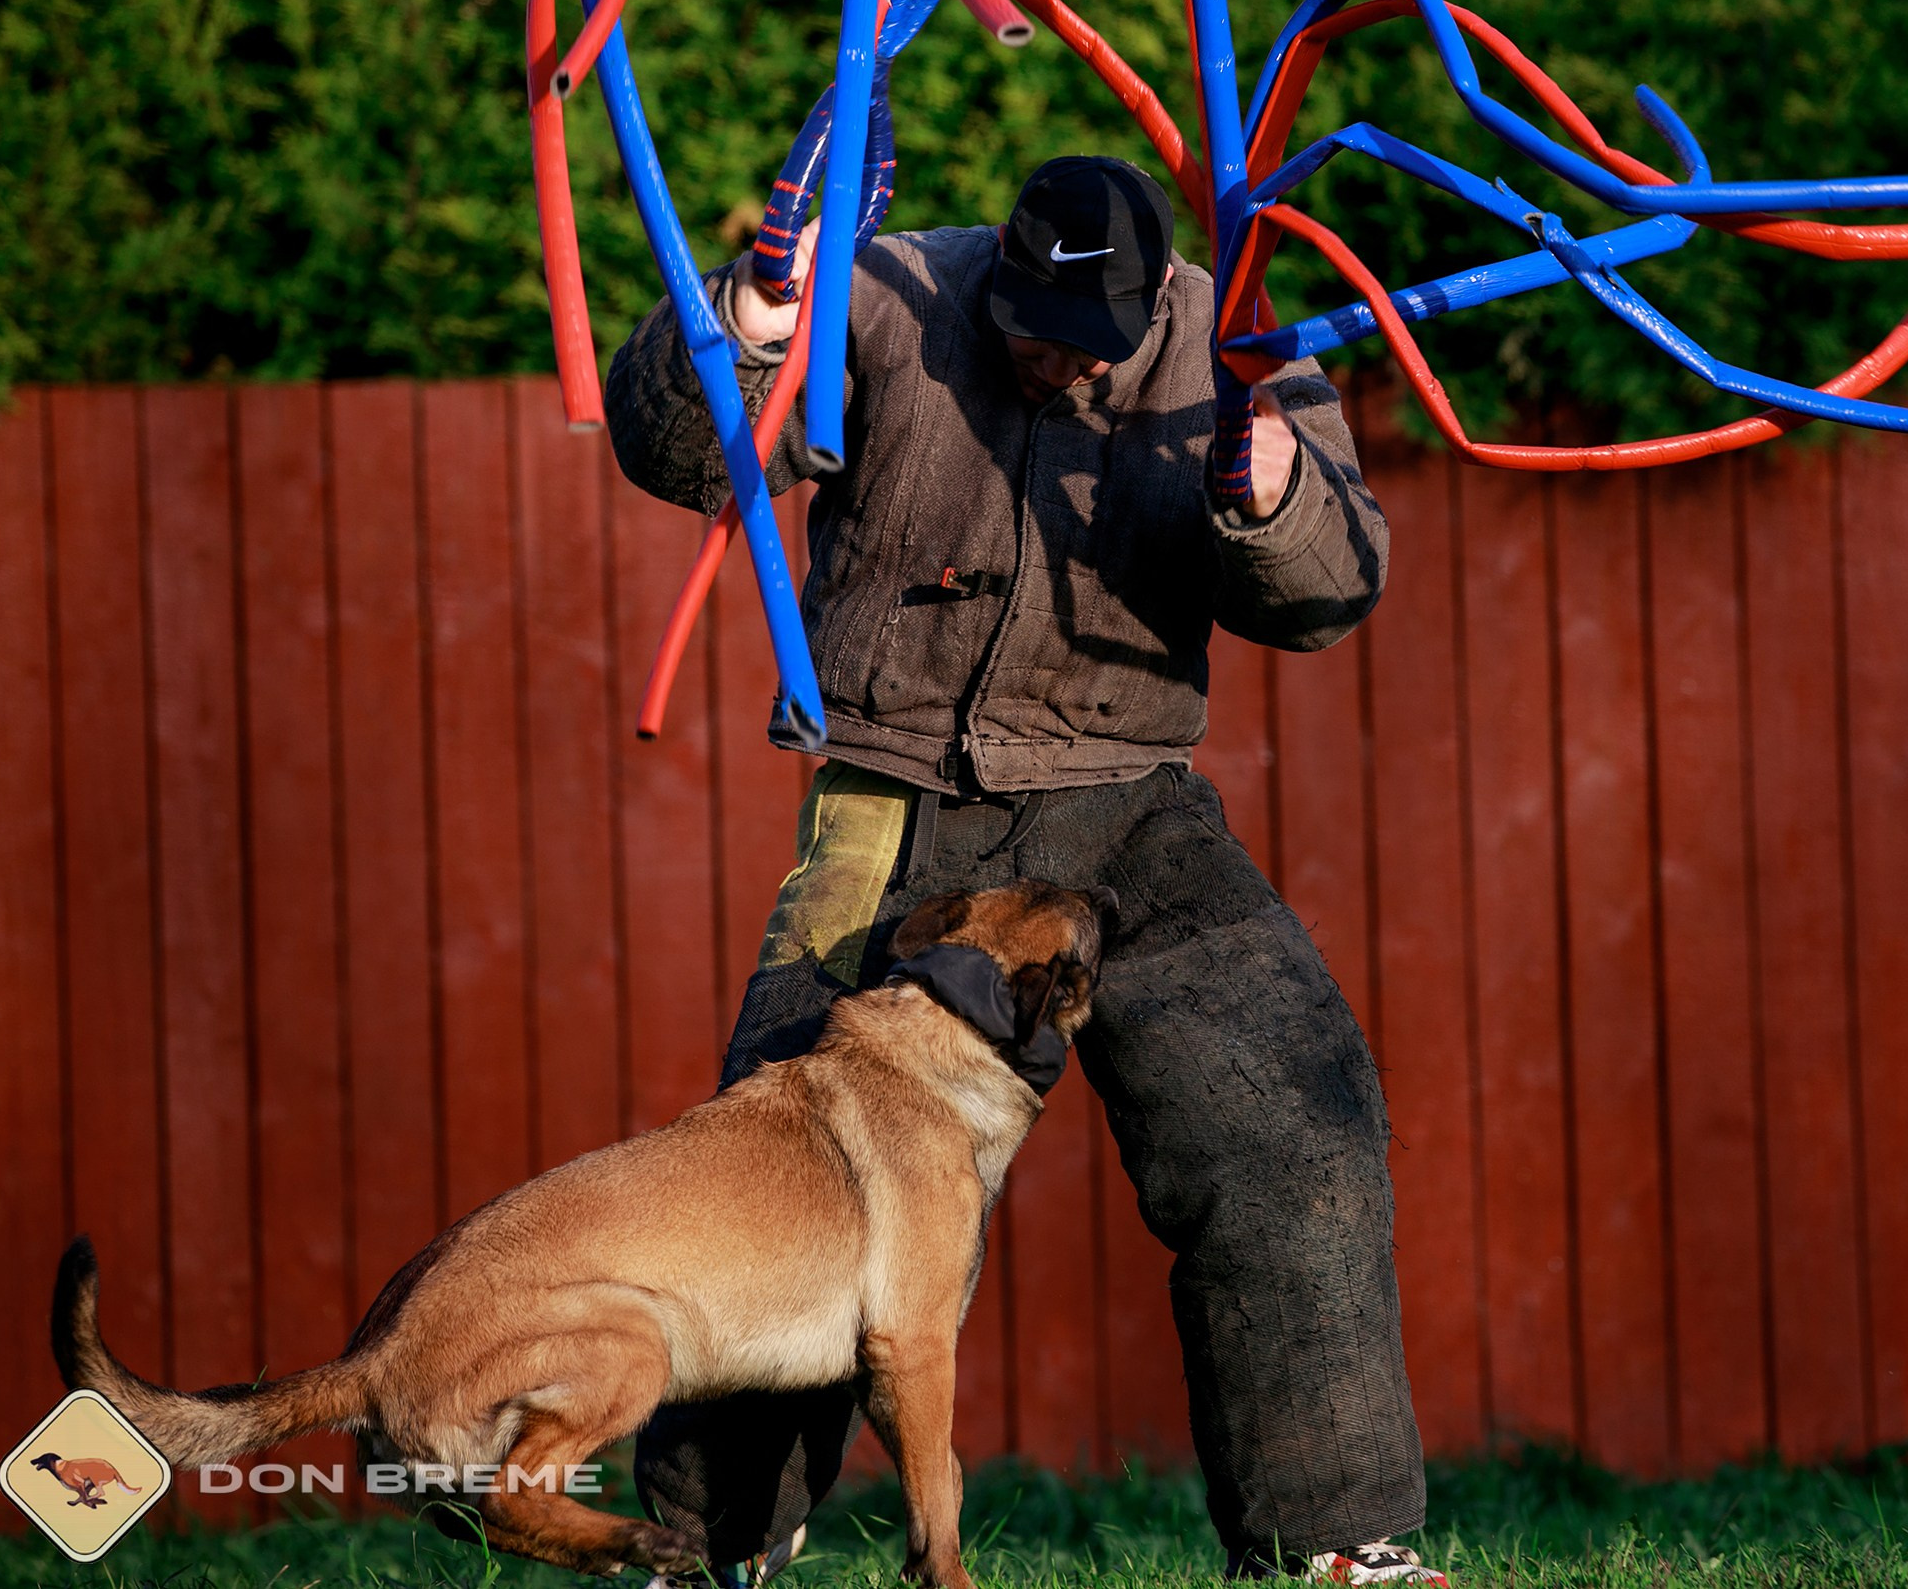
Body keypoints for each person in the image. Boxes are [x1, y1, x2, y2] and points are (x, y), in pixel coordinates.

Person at [602, 155, 1444, 1587]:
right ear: (994, 270)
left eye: (1087, 341)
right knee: (777, 1174)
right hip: (902, 793)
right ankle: (704, 1549)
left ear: (1152, 300)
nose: (1054, 359)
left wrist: (1278, 494)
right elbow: (685, 455)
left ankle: (1335, 1549)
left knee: (1295, 1126)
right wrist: (747, 322)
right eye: (1028, 330)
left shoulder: (1237, 344)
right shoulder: (885, 299)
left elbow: (1332, 590)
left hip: (1130, 810)